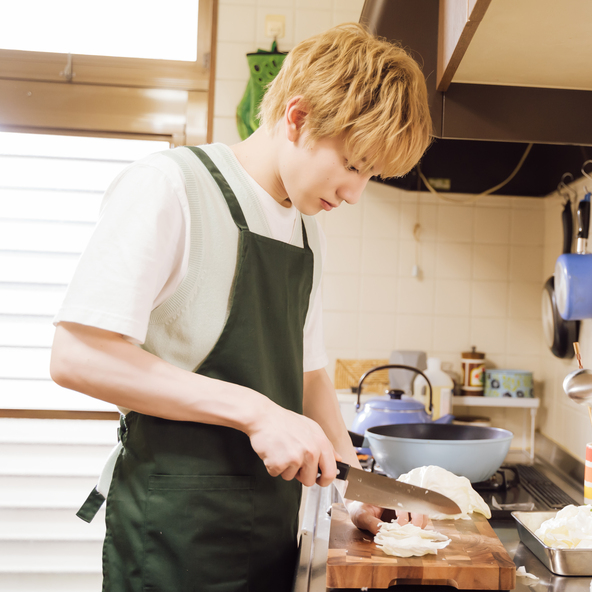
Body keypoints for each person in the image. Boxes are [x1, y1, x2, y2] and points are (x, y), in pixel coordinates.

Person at [49, 23, 433, 592]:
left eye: (370, 174)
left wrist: (356, 492)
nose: (355, 193)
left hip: (269, 540)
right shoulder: (171, 187)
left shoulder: (307, 231)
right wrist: (256, 411)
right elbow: (77, 357)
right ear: (297, 117)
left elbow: (308, 377)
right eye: (353, 164)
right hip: (171, 540)